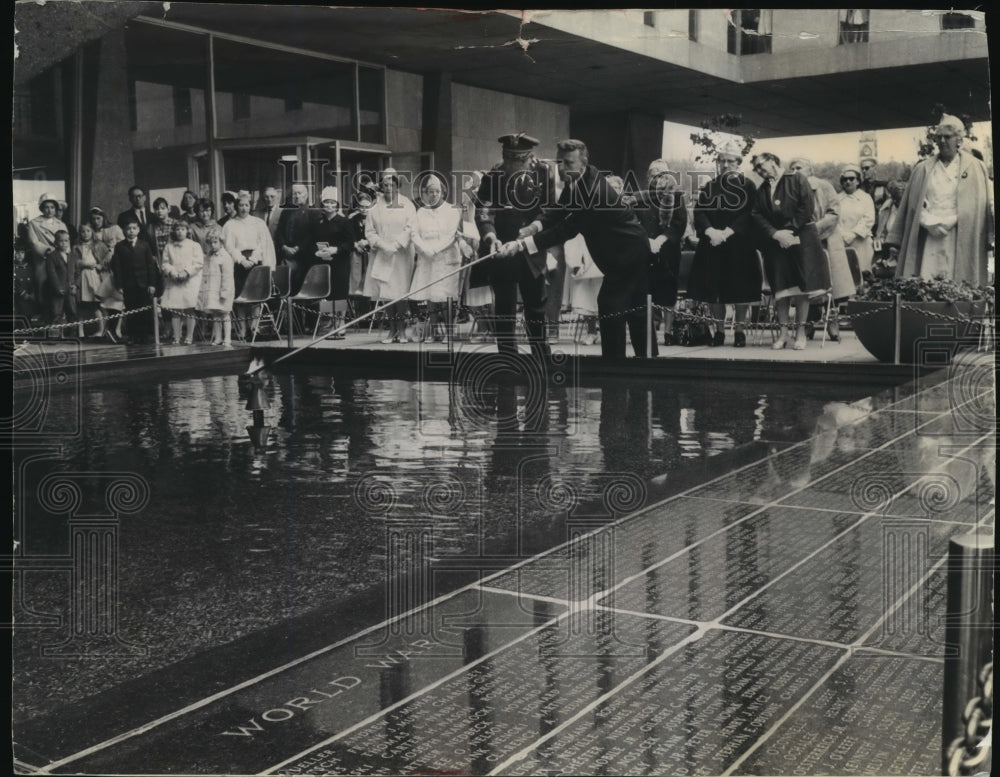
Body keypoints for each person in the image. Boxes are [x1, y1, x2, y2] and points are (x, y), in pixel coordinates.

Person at [510, 139, 655, 359]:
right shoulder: (581, 178)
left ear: (583, 162)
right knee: (635, 309)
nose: (562, 168)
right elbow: (559, 209)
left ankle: (614, 367)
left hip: (629, 254)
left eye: (568, 162)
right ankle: (647, 363)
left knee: (611, 305)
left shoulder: (592, 192)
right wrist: (533, 226)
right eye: (559, 162)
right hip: (625, 252)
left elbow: (567, 229)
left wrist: (524, 244)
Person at [885, 113, 993, 285]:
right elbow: (912, 205)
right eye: (939, 137)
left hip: (960, 234)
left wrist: (953, 219)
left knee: (958, 285)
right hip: (929, 234)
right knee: (927, 282)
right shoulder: (922, 169)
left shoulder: (976, 167)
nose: (942, 141)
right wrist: (927, 220)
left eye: (947, 137)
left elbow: (980, 205)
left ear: (959, 139)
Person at [474, 133, 554, 358]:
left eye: (519, 161)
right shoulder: (494, 174)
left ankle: (542, 358)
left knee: (536, 306)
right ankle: (508, 360)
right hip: (502, 250)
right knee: (505, 309)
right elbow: (484, 210)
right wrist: (490, 237)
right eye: (509, 160)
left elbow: (548, 210)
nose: (513, 166)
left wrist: (531, 230)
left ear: (530, 158)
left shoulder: (543, 172)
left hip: (530, 247)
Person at [751, 151, 830, 351]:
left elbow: (806, 207)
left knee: (801, 289)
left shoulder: (797, 179)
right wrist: (775, 234)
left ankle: (800, 333)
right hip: (777, 243)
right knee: (781, 290)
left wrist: (789, 230)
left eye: (762, 165)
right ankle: (783, 334)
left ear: (773, 161)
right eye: (757, 168)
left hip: (801, 239)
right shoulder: (762, 189)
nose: (760, 170)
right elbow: (757, 214)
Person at [689, 142, 761, 348]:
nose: (727, 164)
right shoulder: (710, 186)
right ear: (719, 163)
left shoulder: (748, 186)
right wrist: (711, 231)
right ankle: (719, 332)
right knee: (714, 291)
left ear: (738, 163)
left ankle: (739, 332)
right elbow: (699, 212)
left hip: (739, 246)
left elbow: (750, 213)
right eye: (723, 161)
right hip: (712, 245)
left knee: (741, 290)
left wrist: (729, 232)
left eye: (731, 161)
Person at [788, 158, 853, 342]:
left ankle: (832, 321)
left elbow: (834, 213)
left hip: (827, 239)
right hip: (802, 242)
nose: (795, 171)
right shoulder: (790, 191)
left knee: (830, 281)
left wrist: (814, 229)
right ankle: (808, 321)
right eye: (791, 168)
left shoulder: (824, 186)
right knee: (807, 282)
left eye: (799, 167)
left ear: (810, 170)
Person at [629, 163, 685, 348]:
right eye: (653, 173)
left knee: (668, 293)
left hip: (668, 251)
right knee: (647, 291)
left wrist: (662, 239)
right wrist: (646, 241)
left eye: (661, 173)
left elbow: (680, 223)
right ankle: (649, 331)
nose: (657, 177)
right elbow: (633, 222)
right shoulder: (639, 198)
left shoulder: (676, 196)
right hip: (645, 250)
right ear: (648, 177)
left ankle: (668, 333)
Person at [409, 175, 465, 342]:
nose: (433, 195)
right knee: (430, 296)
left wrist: (435, 249)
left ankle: (449, 332)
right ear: (426, 194)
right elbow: (414, 233)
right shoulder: (421, 211)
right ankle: (434, 332)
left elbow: (451, 235)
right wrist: (425, 249)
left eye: (437, 191)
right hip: (427, 259)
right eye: (430, 192)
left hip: (446, 259)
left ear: (443, 193)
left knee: (445, 297)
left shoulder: (452, 210)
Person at [364, 168, 416, 344]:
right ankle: (391, 330)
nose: (388, 188)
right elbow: (369, 231)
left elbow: (411, 227)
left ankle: (401, 330)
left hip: (401, 254)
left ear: (397, 185)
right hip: (381, 253)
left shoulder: (407, 204)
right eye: (385, 184)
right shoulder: (374, 208)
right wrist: (382, 245)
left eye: (391, 184)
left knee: (400, 292)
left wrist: (396, 245)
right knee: (386, 293)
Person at [221, 190, 276, 340]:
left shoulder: (258, 223)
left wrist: (253, 258)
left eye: (246, 205)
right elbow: (229, 246)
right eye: (241, 205)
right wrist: (241, 259)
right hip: (238, 265)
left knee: (256, 298)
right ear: (236, 206)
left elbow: (263, 244)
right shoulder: (230, 225)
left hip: (255, 263)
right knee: (240, 298)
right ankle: (242, 329)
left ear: (250, 206)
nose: (243, 208)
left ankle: (255, 328)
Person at [313, 186, 356, 338]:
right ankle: (328, 323)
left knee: (340, 292)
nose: (329, 206)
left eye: (332, 202)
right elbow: (313, 241)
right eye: (326, 202)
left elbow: (350, 244)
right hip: (325, 262)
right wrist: (317, 251)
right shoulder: (319, 222)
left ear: (337, 204)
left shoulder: (344, 222)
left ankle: (340, 323)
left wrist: (336, 250)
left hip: (340, 262)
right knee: (327, 292)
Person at [111, 217, 162, 344]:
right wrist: (119, 285)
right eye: (128, 229)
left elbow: (150, 266)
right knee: (131, 310)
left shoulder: (144, 245)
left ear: (138, 230)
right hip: (129, 285)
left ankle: (144, 336)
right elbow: (117, 267)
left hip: (144, 284)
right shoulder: (119, 246)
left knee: (144, 310)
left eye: (134, 228)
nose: (131, 231)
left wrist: (152, 284)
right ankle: (132, 336)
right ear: (123, 230)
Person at [160, 220, 205, 344]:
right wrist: (173, 273)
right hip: (174, 281)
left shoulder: (194, 245)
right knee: (176, 310)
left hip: (189, 282)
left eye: (183, 229)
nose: (180, 232)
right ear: (174, 231)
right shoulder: (169, 246)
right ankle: (177, 336)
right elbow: (165, 263)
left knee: (189, 309)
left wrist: (186, 273)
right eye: (178, 229)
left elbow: (198, 263)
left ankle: (189, 336)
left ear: (187, 231)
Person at [26, 193, 68, 314]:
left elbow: (66, 242)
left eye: (52, 207)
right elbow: (34, 242)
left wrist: (64, 254)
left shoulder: (61, 224)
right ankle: (44, 314)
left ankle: (58, 315)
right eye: (46, 207)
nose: (50, 210)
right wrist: (48, 250)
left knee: (59, 286)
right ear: (42, 208)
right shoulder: (34, 223)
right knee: (42, 286)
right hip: (43, 259)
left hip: (59, 260)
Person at [197, 226, 236, 347]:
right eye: (210, 243)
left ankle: (227, 339)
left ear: (221, 242)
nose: (213, 245)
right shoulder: (209, 256)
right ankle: (218, 337)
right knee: (216, 315)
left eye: (215, 242)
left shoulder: (225, 257)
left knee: (225, 314)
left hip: (222, 291)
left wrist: (224, 292)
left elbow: (227, 277)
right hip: (212, 290)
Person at [275, 183, 316, 295]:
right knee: (286, 288)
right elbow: (279, 232)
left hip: (304, 257)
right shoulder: (286, 212)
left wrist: (298, 248)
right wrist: (284, 247)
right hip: (286, 255)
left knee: (302, 287)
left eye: (300, 193)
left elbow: (311, 234)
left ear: (306, 195)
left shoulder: (312, 212)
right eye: (294, 194)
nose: (297, 196)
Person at [836, 163, 876, 274]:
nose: (848, 181)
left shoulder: (865, 198)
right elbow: (833, 218)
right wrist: (843, 236)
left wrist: (853, 234)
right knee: (845, 275)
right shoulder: (836, 199)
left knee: (863, 273)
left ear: (858, 181)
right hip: (841, 241)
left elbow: (869, 219)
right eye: (845, 179)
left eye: (851, 179)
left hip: (861, 241)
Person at [72, 223, 108, 338]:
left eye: (88, 231)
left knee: (96, 305)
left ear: (92, 232)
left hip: (94, 276)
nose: (85, 234)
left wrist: (100, 266)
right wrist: (80, 264)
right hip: (82, 277)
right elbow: (73, 262)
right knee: (81, 306)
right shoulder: (76, 247)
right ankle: (80, 332)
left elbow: (107, 259)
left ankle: (101, 330)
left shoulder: (99, 245)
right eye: (83, 231)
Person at [44, 230, 78, 337]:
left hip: (70, 290)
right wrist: (58, 287)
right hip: (58, 291)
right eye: (61, 241)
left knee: (72, 312)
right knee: (56, 312)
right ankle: (54, 335)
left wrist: (75, 285)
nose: (64, 243)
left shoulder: (72, 255)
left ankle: (71, 334)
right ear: (55, 242)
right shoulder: (52, 256)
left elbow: (77, 272)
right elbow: (51, 274)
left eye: (66, 241)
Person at [14, 239, 37, 323]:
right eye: (17, 252)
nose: (19, 255)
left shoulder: (29, 267)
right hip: (19, 297)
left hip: (29, 297)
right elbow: (14, 284)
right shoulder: (14, 267)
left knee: (28, 317)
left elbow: (34, 281)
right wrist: (23, 294)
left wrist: (33, 293)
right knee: (19, 317)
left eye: (22, 252)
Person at [147, 197, 175, 262]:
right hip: (159, 262)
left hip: (175, 261)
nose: (159, 211)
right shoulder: (150, 228)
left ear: (168, 209)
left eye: (163, 208)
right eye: (156, 209)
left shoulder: (176, 224)